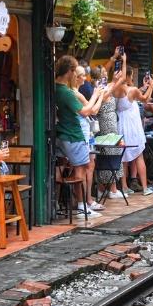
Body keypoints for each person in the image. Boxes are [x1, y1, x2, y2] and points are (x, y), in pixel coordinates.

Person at [53, 55, 100, 218]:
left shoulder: (54, 88)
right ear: (70, 72)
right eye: (75, 72)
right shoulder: (66, 92)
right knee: (82, 168)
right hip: (72, 134)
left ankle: (56, 204)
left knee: (59, 168)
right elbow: (86, 111)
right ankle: (81, 207)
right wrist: (96, 94)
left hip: (60, 134)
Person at [69, 64, 108, 215]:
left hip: (84, 132)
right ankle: (83, 202)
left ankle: (85, 201)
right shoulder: (75, 94)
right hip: (82, 133)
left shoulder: (75, 92)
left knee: (87, 166)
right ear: (76, 77)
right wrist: (97, 95)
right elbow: (93, 110)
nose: (85, 79)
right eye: (82, 76)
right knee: (84, 167)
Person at [115, 66, 153, 195]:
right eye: (131, 75)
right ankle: (145, 187)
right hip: (132, 126)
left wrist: (143, 87)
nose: (132, 78)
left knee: (124, 157)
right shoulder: (131, 90)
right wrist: (151, 86)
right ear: (127, 76)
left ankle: (124, 186)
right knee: (139, 155)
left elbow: (133, 96)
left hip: (121, 124)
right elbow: (144, 99)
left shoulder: (116, 89)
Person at [92, 59, 127, 200]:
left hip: (111, 122)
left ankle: (108, 188)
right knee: (109, 151)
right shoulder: (102, 91)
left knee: (112, 150)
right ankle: (109, 189)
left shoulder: (104, 88)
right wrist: (123, 62)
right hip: (106, 124)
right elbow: (122, 78)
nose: (106, 75)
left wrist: (121, 61)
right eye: (104, 73)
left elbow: (120, 78)